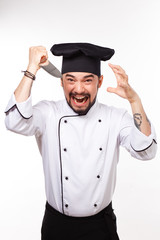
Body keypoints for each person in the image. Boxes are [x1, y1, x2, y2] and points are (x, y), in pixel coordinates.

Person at [5, 43, 157, 240]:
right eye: (70, 80)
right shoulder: (49, 113)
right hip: (57, 226)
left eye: (87, 80)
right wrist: (32, 68)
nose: (78, 89)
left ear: (99, 82)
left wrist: (134, 100)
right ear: (61, 82)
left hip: (100, 225)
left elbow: (146, 151)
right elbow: (14, 121)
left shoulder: (114, 117)